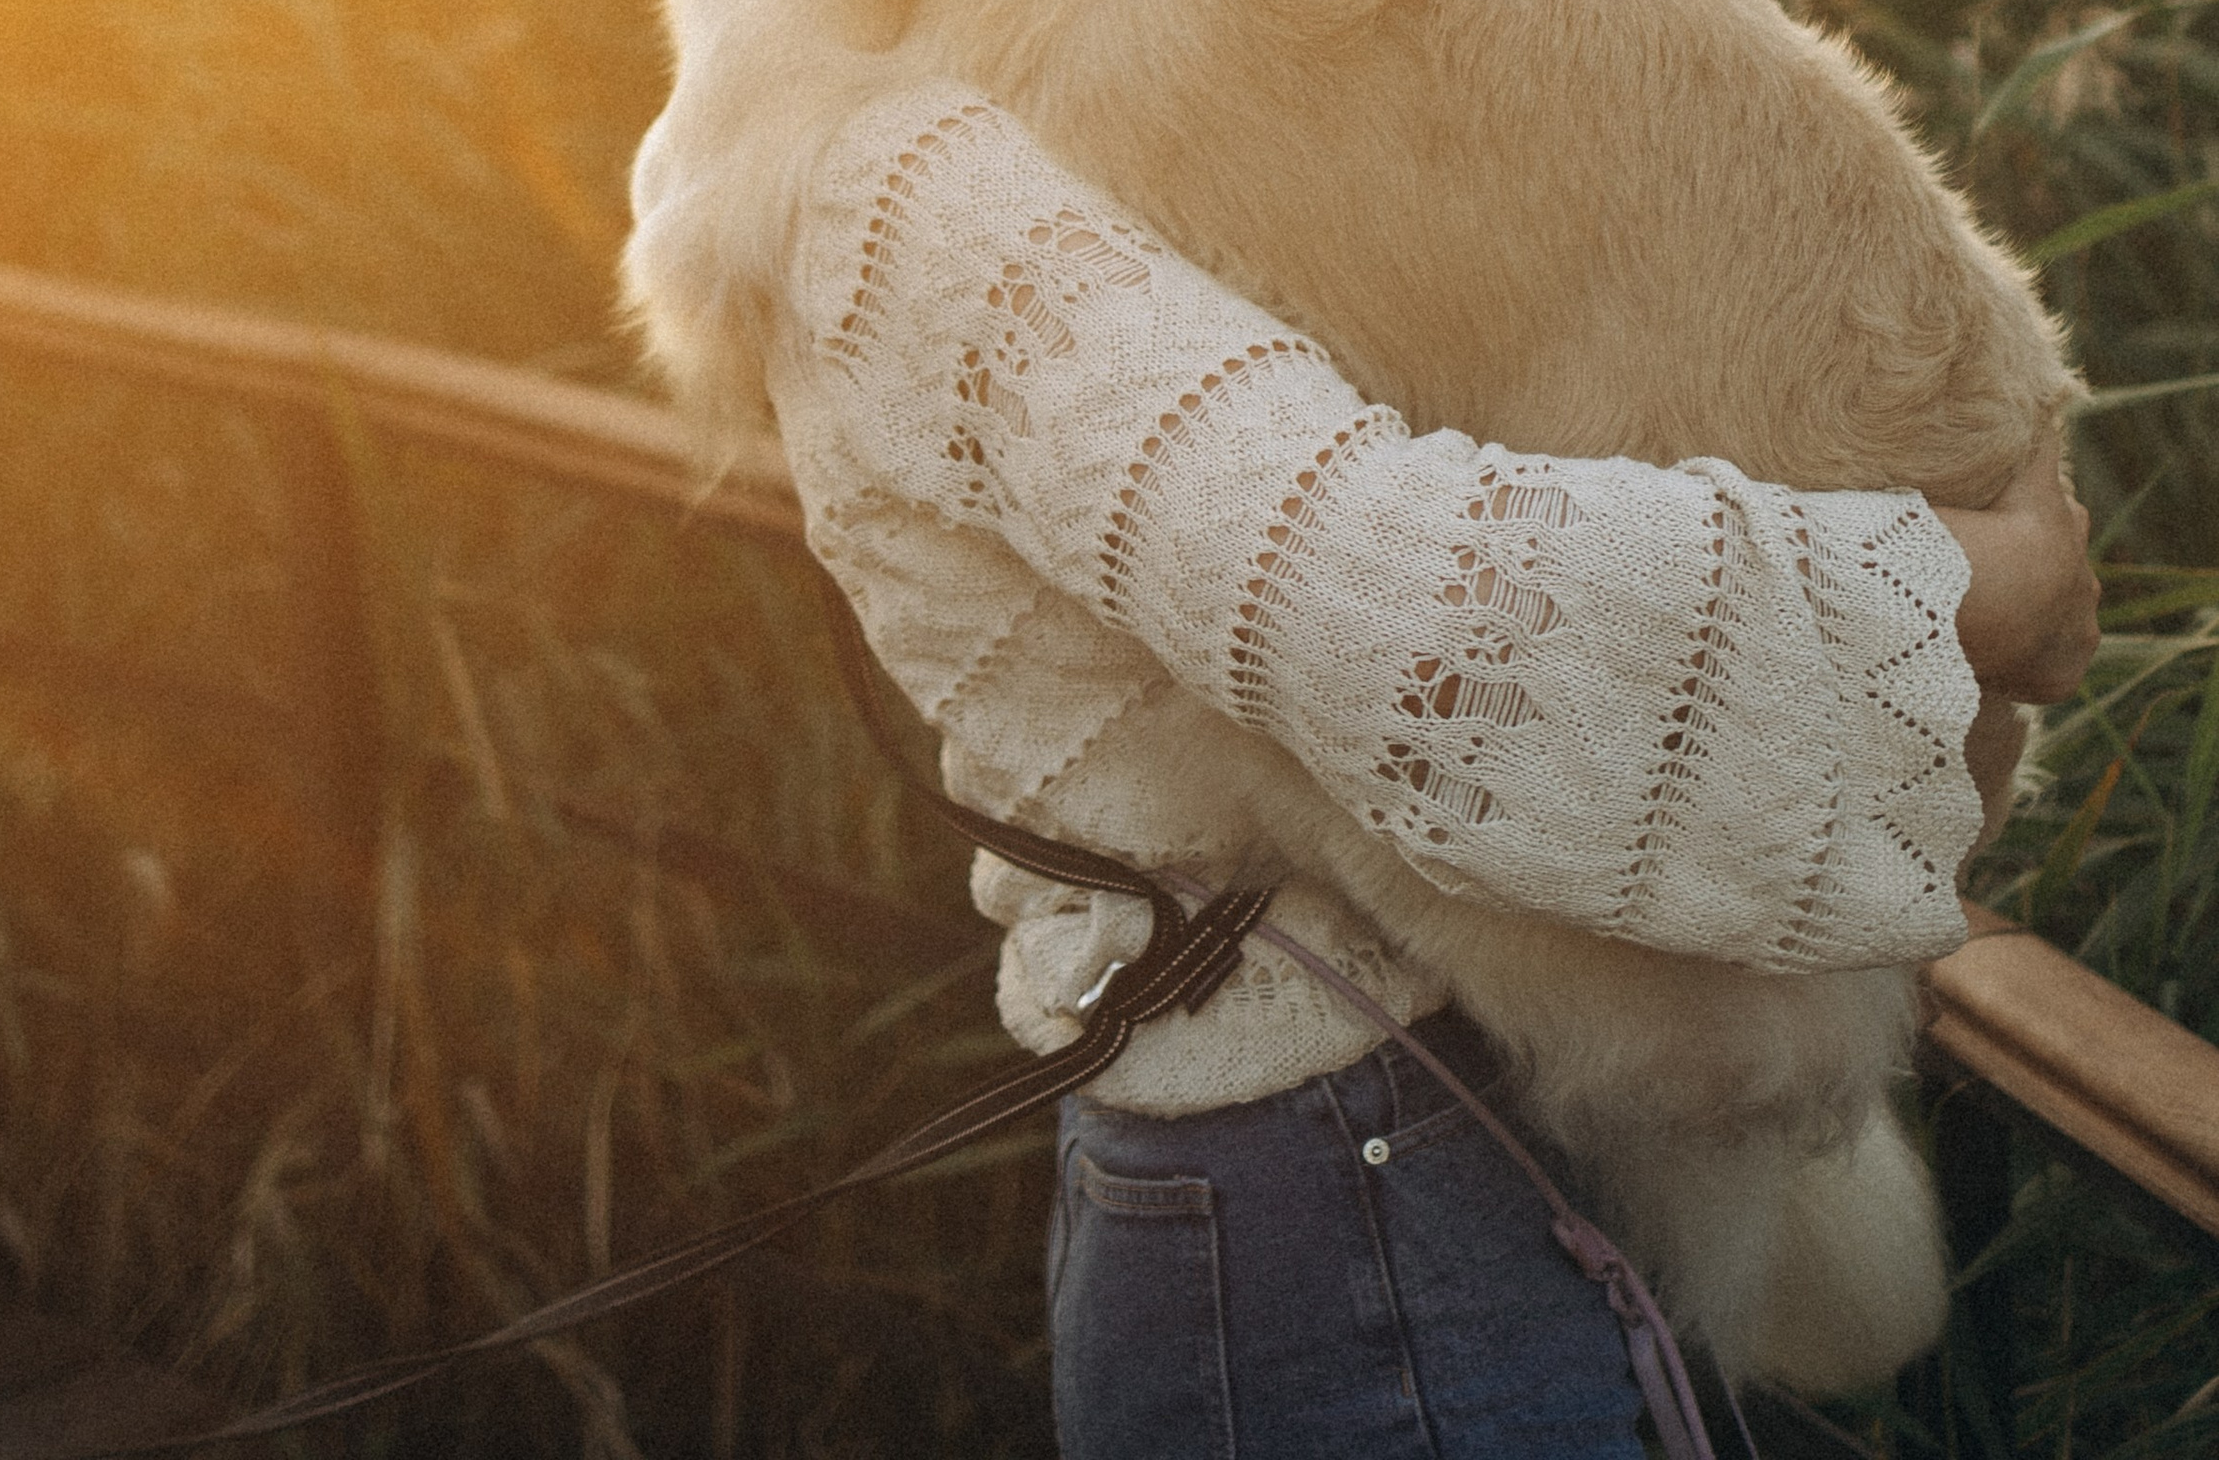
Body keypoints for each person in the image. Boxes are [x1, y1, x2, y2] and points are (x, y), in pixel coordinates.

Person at [760, 84, 2097, 1460]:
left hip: (1366, 1168)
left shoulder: (935, 106)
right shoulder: (910, 175)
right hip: (1349, 1202)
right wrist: (1971, 592)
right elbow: (1394, 612)